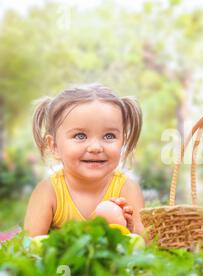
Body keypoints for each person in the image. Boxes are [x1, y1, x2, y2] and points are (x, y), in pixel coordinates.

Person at [24, 83, 145, 237]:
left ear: (123, 141)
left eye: (109, 136)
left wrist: (131, 229)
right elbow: (30, 246)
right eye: (80, 136)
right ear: (54, 146)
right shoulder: (48, 191)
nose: (95, 147)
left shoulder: (127, 189)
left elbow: (145, 243)